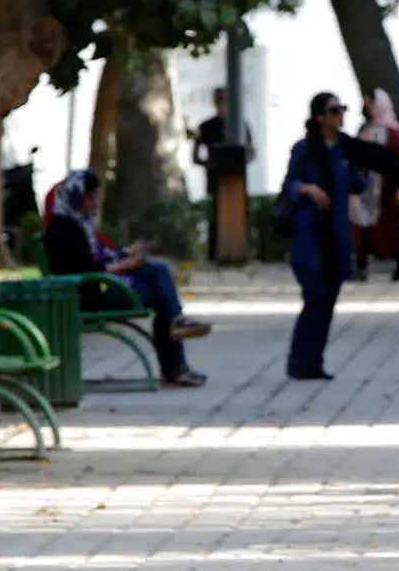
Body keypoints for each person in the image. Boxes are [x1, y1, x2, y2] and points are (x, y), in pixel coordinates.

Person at [42, 170, 211, 388]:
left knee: (157, 271)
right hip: (87, 298)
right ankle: (175, 363)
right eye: (90, 198)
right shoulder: (62, 230)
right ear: (76, 197)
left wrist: (124, 253)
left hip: (97, 288)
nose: (95, 204)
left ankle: (176, 341)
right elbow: (81, 269)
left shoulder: (77, 222)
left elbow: (95, 257)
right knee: (161, 297)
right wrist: (121, 265)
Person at [279, 92, 369, 380]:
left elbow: (359, 184)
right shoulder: (305, 149)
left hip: (336, 234)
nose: (339, 115)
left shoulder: (345, 150)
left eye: (342, 109)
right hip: (309, 234)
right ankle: (298, 360)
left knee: (329, 298)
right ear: (319, 117)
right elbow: (289, 184)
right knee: (315, 294)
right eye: (333, 110)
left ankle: (313, 361)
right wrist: (308, 189)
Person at [352, 88, 399, 282]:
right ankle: (361, 265)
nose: (366, 107)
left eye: (369, 102)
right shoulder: (364, 130)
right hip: (366, 189)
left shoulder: (394, 132)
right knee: (362, 227)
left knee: (392, 226)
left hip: (388, 188)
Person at [191, 86, 256, 262]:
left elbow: (251, 153)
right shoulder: (205, 126)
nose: (222, 103)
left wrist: (238, 162)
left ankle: (240, 253)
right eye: (219, 99)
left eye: (225, 99)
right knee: (215, 219)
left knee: (240, 218)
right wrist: (210, 164)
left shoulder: (241, 125)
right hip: (214, 180)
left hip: (237, 182)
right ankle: (214, 256)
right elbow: (195, 157)